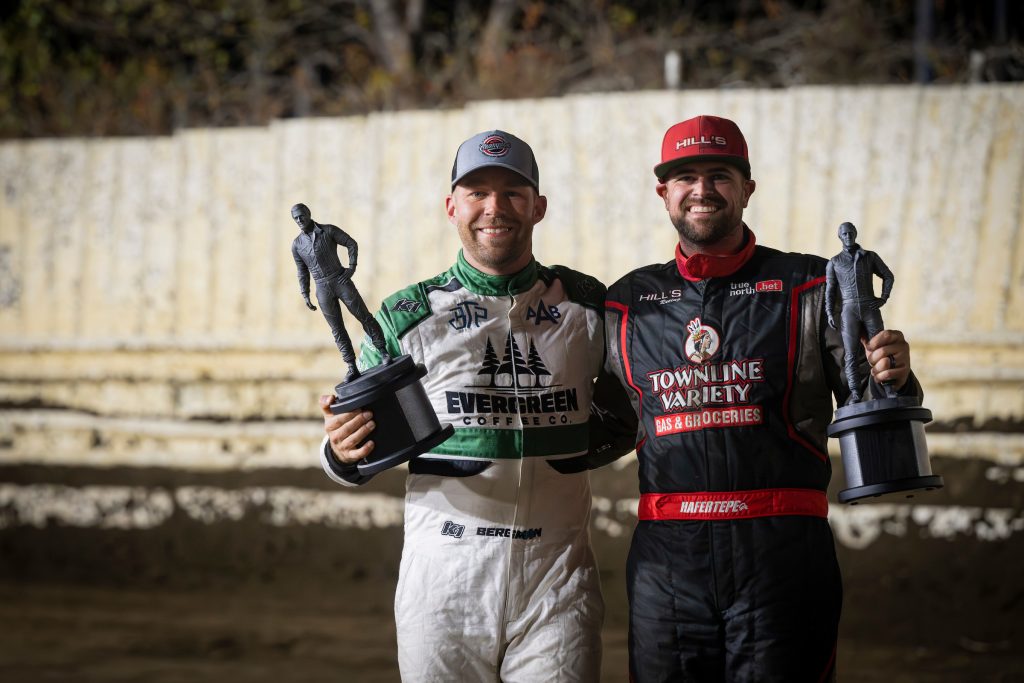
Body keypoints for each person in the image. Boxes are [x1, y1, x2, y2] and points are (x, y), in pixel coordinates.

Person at [603, 115, 921, 682]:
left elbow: (866, 394)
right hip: (666, 565)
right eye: (686, 177)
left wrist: (892, 375)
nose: (702, 190)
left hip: (783, 557)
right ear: (664, 193)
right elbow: (583, 410)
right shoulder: (626, 303)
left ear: (747, 188)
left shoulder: (811, 285)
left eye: (719, 175)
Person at [318, 130, 637, 682]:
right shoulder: (405, 317)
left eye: (513, 192)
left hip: (557, 580)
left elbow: (634, 410)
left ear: (538, 206)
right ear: (452, 207)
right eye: (477, 193)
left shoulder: (589, 306)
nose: (495, 208)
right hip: (443, 584)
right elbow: (349, 448)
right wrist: (340, 451)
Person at [290, 203, 391, 381]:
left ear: (308, 213)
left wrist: (351, 268)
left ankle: (383, 351)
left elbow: (351, 244)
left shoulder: (328, 231)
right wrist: (305, 293)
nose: (299, 220)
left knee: (364, 316)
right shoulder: (297, 245)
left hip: (340, 279)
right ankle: (351, 366)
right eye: (295, 218)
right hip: (321, 288)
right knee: (337, 329)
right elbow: (302, 271)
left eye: (301, 216)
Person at [826, 221, 896, 403]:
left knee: (881, 348)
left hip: (869, 306)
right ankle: (855, 393)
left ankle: (889, 387)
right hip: (849, 310)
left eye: (850, 233)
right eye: (844, 234)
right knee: (849, 353)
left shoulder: (869, 256)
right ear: (840, 237)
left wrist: (883, 298)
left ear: (855, 233)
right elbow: (830, 290)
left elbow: (888, 275)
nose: (848, 236)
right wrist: (828, 312)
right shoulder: (834, 262)